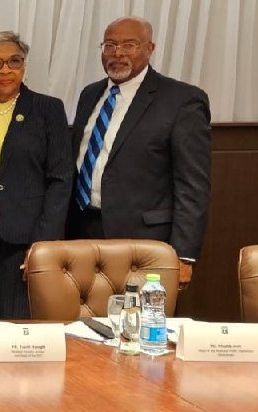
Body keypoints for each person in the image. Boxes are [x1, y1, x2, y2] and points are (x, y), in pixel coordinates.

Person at [68, 16, 211, 288]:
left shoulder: (181, 100)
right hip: (83, 232)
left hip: (145, 241)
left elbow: (193, 184)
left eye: (129, 44)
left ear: (150, 48)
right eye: (109, 45)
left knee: (139, 324)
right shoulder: (90, 94)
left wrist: (184, 254)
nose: (117, 53)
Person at [0, 32, 72, 319]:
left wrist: (43, 243)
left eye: (14, 61)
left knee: (12, 318)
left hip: (24, 234)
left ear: (24, 67)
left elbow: (61, 178)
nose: (6, 70)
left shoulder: (48, 109)